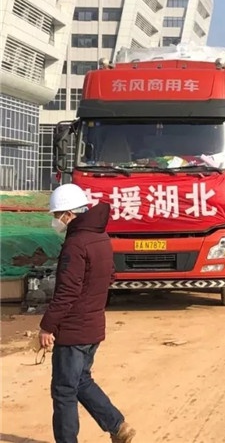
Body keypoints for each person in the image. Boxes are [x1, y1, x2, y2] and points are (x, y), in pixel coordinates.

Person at [39, 183, 136, 443]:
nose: (55, 220)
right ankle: (118, 426)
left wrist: (47, 326)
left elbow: (67, 292)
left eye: (57, 215)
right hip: (92, 326)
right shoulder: (100, 237)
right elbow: (109, 275)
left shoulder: (76, 244)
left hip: (73, 331)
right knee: (81, 380)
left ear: (69, 214)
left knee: (64, 390)